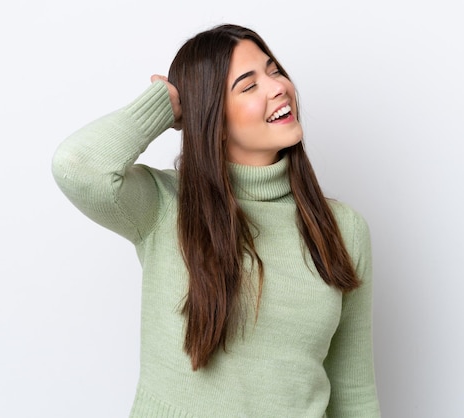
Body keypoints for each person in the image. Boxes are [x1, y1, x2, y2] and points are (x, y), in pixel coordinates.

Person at [52, 23, 380, 418]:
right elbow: (77, 166)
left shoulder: (343, 230)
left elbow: (353, 391)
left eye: (274, 71)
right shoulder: (163, 205)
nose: (278, 87)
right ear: (214, 119)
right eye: (248, 85)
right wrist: (167, 102)